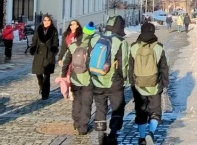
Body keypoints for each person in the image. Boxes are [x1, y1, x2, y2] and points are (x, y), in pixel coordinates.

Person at [90, 15, 130, 144]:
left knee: (100, 108)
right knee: (117, 107)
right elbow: (123, 62)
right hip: (114, 82)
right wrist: (124, 78)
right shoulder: (121, 42)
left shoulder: (95, 38)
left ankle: (100, 134)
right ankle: (113, 132)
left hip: (97, 79)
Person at [128, 22, 169, 145]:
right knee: (155, 112)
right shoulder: (159, 47)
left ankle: (141, 138)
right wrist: (165, 84)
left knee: (141, 113)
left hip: (138, 86)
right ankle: (150, 133)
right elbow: (164, 68)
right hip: (154, 86)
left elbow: (130, 68)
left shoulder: (134, 47)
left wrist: (132, 84)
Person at [58, 22, 97, 135]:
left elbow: (66, 61)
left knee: (76, 100)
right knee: (87, 102)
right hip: (88, 80)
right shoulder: (92, 46)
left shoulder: (73, 45)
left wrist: (63, 75)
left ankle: (76, 121)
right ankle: (83, 126)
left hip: (75, 78)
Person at [29, 15, 60, 100]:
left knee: (47, 75)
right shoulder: (38, 29)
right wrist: (33, 48)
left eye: (48, 20)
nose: (46, 22)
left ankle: (45, 94)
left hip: (48, 54)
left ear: (51, 21)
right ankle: (41, 85)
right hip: (39, 54)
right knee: (38, 73)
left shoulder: (54, 30)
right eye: (45, 20)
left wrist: (53, 50)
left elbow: (55, 42)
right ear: (42, 21)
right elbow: (34, 40)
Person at [58, 20, 84, 100]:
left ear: (77, 26)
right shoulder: (66, 35)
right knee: (67, 74)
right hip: (67, 56)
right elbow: (63, 48)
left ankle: (73, 90)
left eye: (73, 24)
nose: (71, 25)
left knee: (74, 73)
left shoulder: (80, 35)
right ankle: (68, 90)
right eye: (70, 24)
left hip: (77, 57)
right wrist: (60, 58)